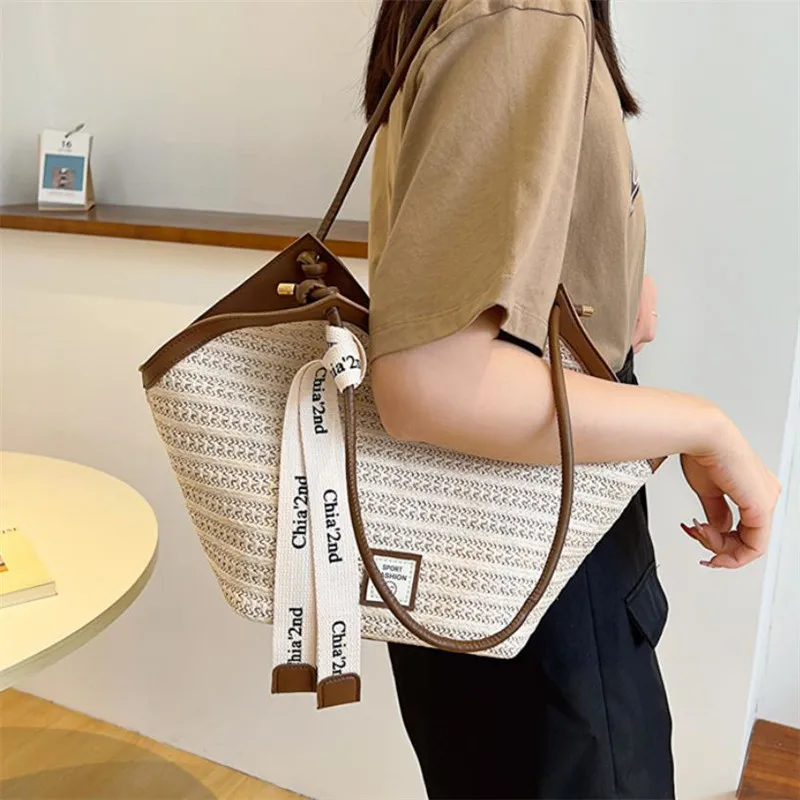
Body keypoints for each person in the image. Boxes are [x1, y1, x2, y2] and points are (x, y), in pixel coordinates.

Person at [363, 1, 781, 798]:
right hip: (543, 558)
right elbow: (432, 382)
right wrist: (706, 428)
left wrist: (612, 290)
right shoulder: (525, 13)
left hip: (480, 545)